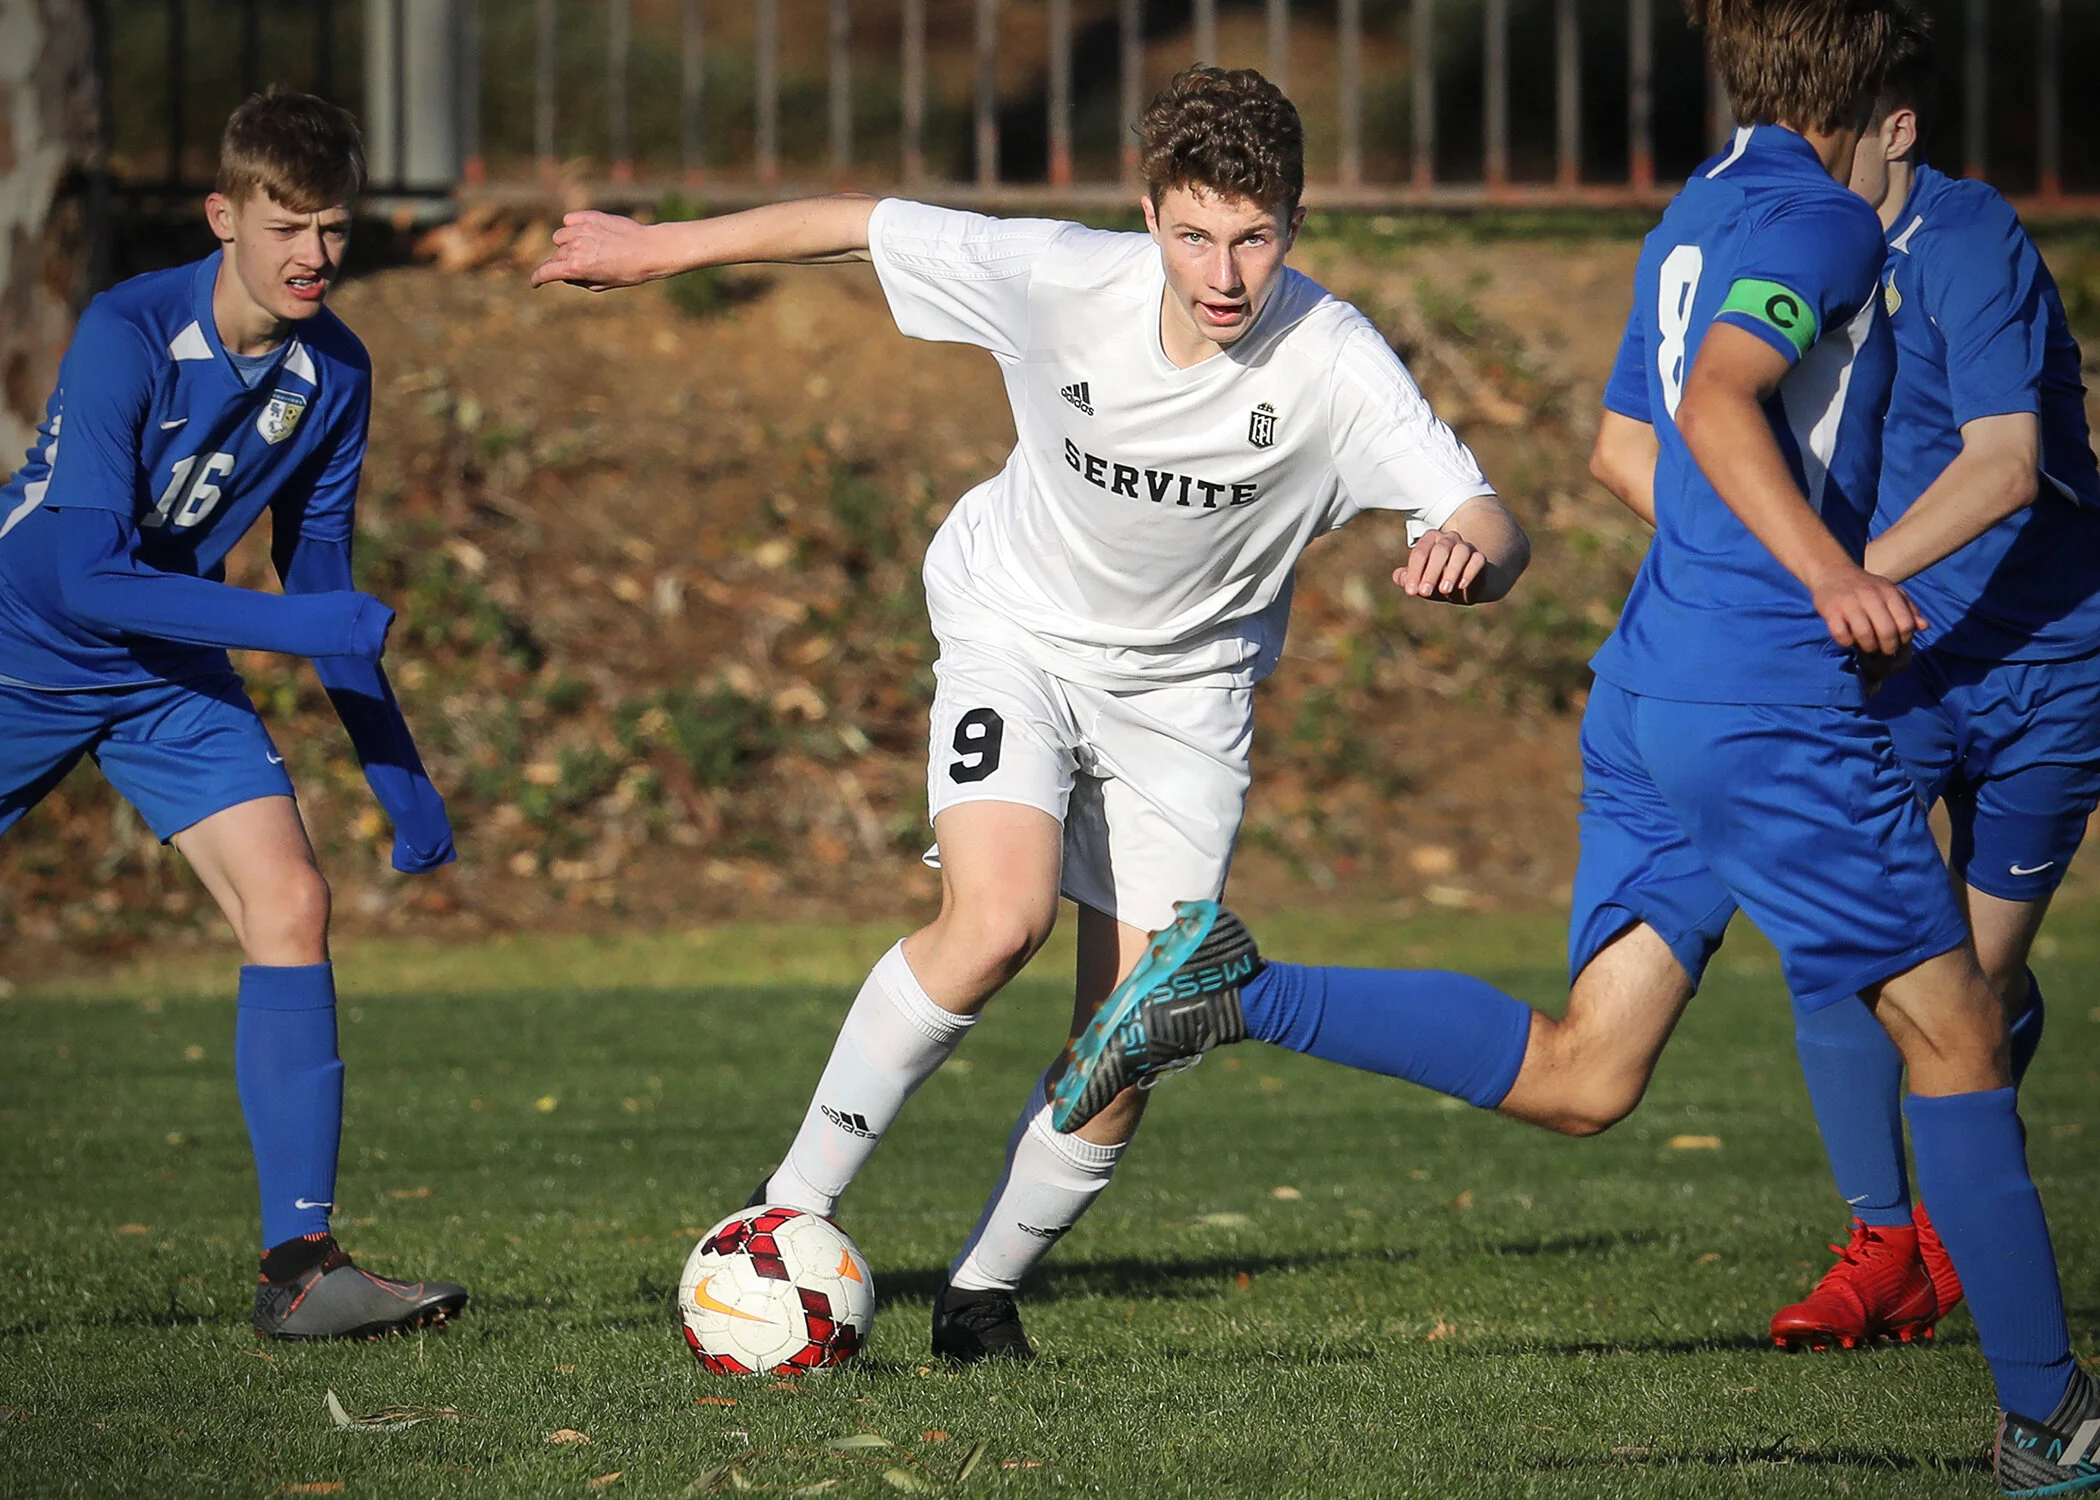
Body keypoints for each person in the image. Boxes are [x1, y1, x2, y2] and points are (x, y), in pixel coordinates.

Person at [1049, 4, 2100, 1493]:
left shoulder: (1698, 210)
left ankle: (1237, 990)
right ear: (1879, 106)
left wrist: (1746, 575)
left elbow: (1632, 443)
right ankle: (2050, 1420)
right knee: (1962, 1034)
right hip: (1771, 713)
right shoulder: (1832, 227)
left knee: (1590, 1076)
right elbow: (1718, 400)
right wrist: (1825, 578)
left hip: (1650, 697)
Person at [532, 67, 1529, 1364]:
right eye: (1193, 232)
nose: (1223, 272)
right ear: (1148, 209)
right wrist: (657, 248)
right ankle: (787, 1215)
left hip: (1185, 703)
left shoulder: (1335, 359)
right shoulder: (1060, 276)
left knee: (1132, 1032)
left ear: (1294, 223)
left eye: (1255, 236)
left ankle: (983, 1293)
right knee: (994, 919)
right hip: (1017, 633)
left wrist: (1471, 558)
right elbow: (858, 219)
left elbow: (1488, 518)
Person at [0, 92, 467, 1340]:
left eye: (333, 227)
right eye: (287, 226)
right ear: (225, 217)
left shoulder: (337, 370)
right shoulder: (128, 328)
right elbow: (85, 574)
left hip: (161, 667)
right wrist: (313, 630)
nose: (314, 254)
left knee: (292, 901)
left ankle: (302, 1268)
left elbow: (320, 572)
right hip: (19, 649)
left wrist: (398, 778)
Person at [1763, 5, 2100, 1355]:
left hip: (2046, 666)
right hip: (1899, 660)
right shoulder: (1796, 247)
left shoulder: (1967, 241)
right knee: (1848, 950)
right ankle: (1882, 1244)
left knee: (1960, 995)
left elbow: (2005, 466)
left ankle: (1958, 1232)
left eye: (1831, 139)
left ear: (1896, 131)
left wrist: (1831, 583)